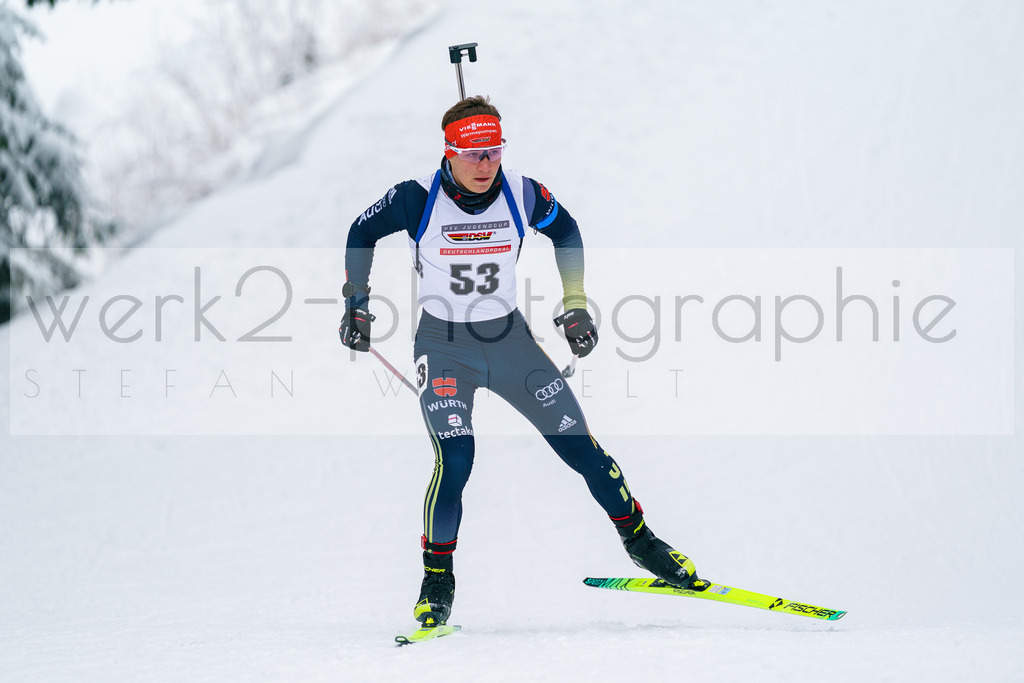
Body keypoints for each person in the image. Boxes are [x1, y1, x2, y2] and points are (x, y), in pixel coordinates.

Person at [340, 96, 702, 626]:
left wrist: (574, 303)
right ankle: (437, 579)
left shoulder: (523, 192)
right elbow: (360, 231)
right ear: (449, 152)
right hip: (442, 346)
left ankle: (642, 542)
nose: (486, 164)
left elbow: (568, 231)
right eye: (474, 154)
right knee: (456, 460)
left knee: (581, 447)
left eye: (495, 151)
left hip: (509, 341)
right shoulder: (415, 198)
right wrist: (356, 303)